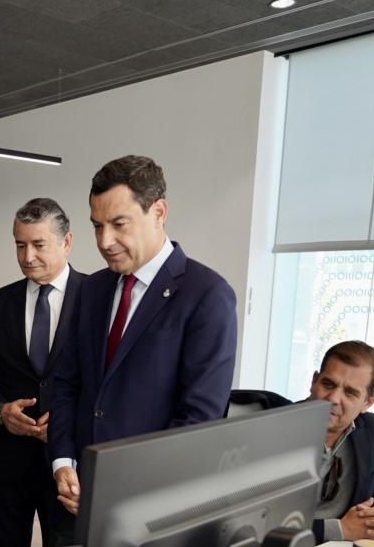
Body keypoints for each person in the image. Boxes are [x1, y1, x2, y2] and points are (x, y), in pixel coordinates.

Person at [48, 155, 238, 518]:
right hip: (75, 498)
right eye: (97, 226)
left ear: (159, 212)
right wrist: (62, 462)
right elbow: (66, 384)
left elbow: (198, 420)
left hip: (151, 509)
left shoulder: (207, 295)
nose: (105, 241)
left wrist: (117, 488)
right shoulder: (92, 289)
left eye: (119, 224)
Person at [0, 198, 85, 547]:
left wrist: (71, 422)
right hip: (9, 462)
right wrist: (0, 411)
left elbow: (105, 384)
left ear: (66, 242)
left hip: (70, 465)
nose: (27, 257)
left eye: (39, 245)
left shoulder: (96, 299)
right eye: (20, 245)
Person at [309, 340, 374, 543]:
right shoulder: (275, 431)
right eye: (328, 384)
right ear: (314, 381)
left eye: (350, 392)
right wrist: (340, 530)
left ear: (368, 402)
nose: (334, 398)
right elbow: (254, 521)